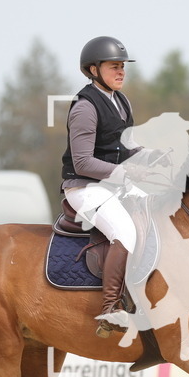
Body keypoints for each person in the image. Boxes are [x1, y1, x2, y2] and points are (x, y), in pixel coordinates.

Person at [60, 36, 141, 338]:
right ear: (93, 70)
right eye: (114, 67)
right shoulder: (85, 107)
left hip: (113, 185)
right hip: (84, 188)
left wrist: (155, 158)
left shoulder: (121, 101)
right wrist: (125, 175)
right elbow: (82, 162)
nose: (121, 72)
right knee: (124, 232)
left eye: (122, 67)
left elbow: (128, 146)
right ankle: (110, 308)